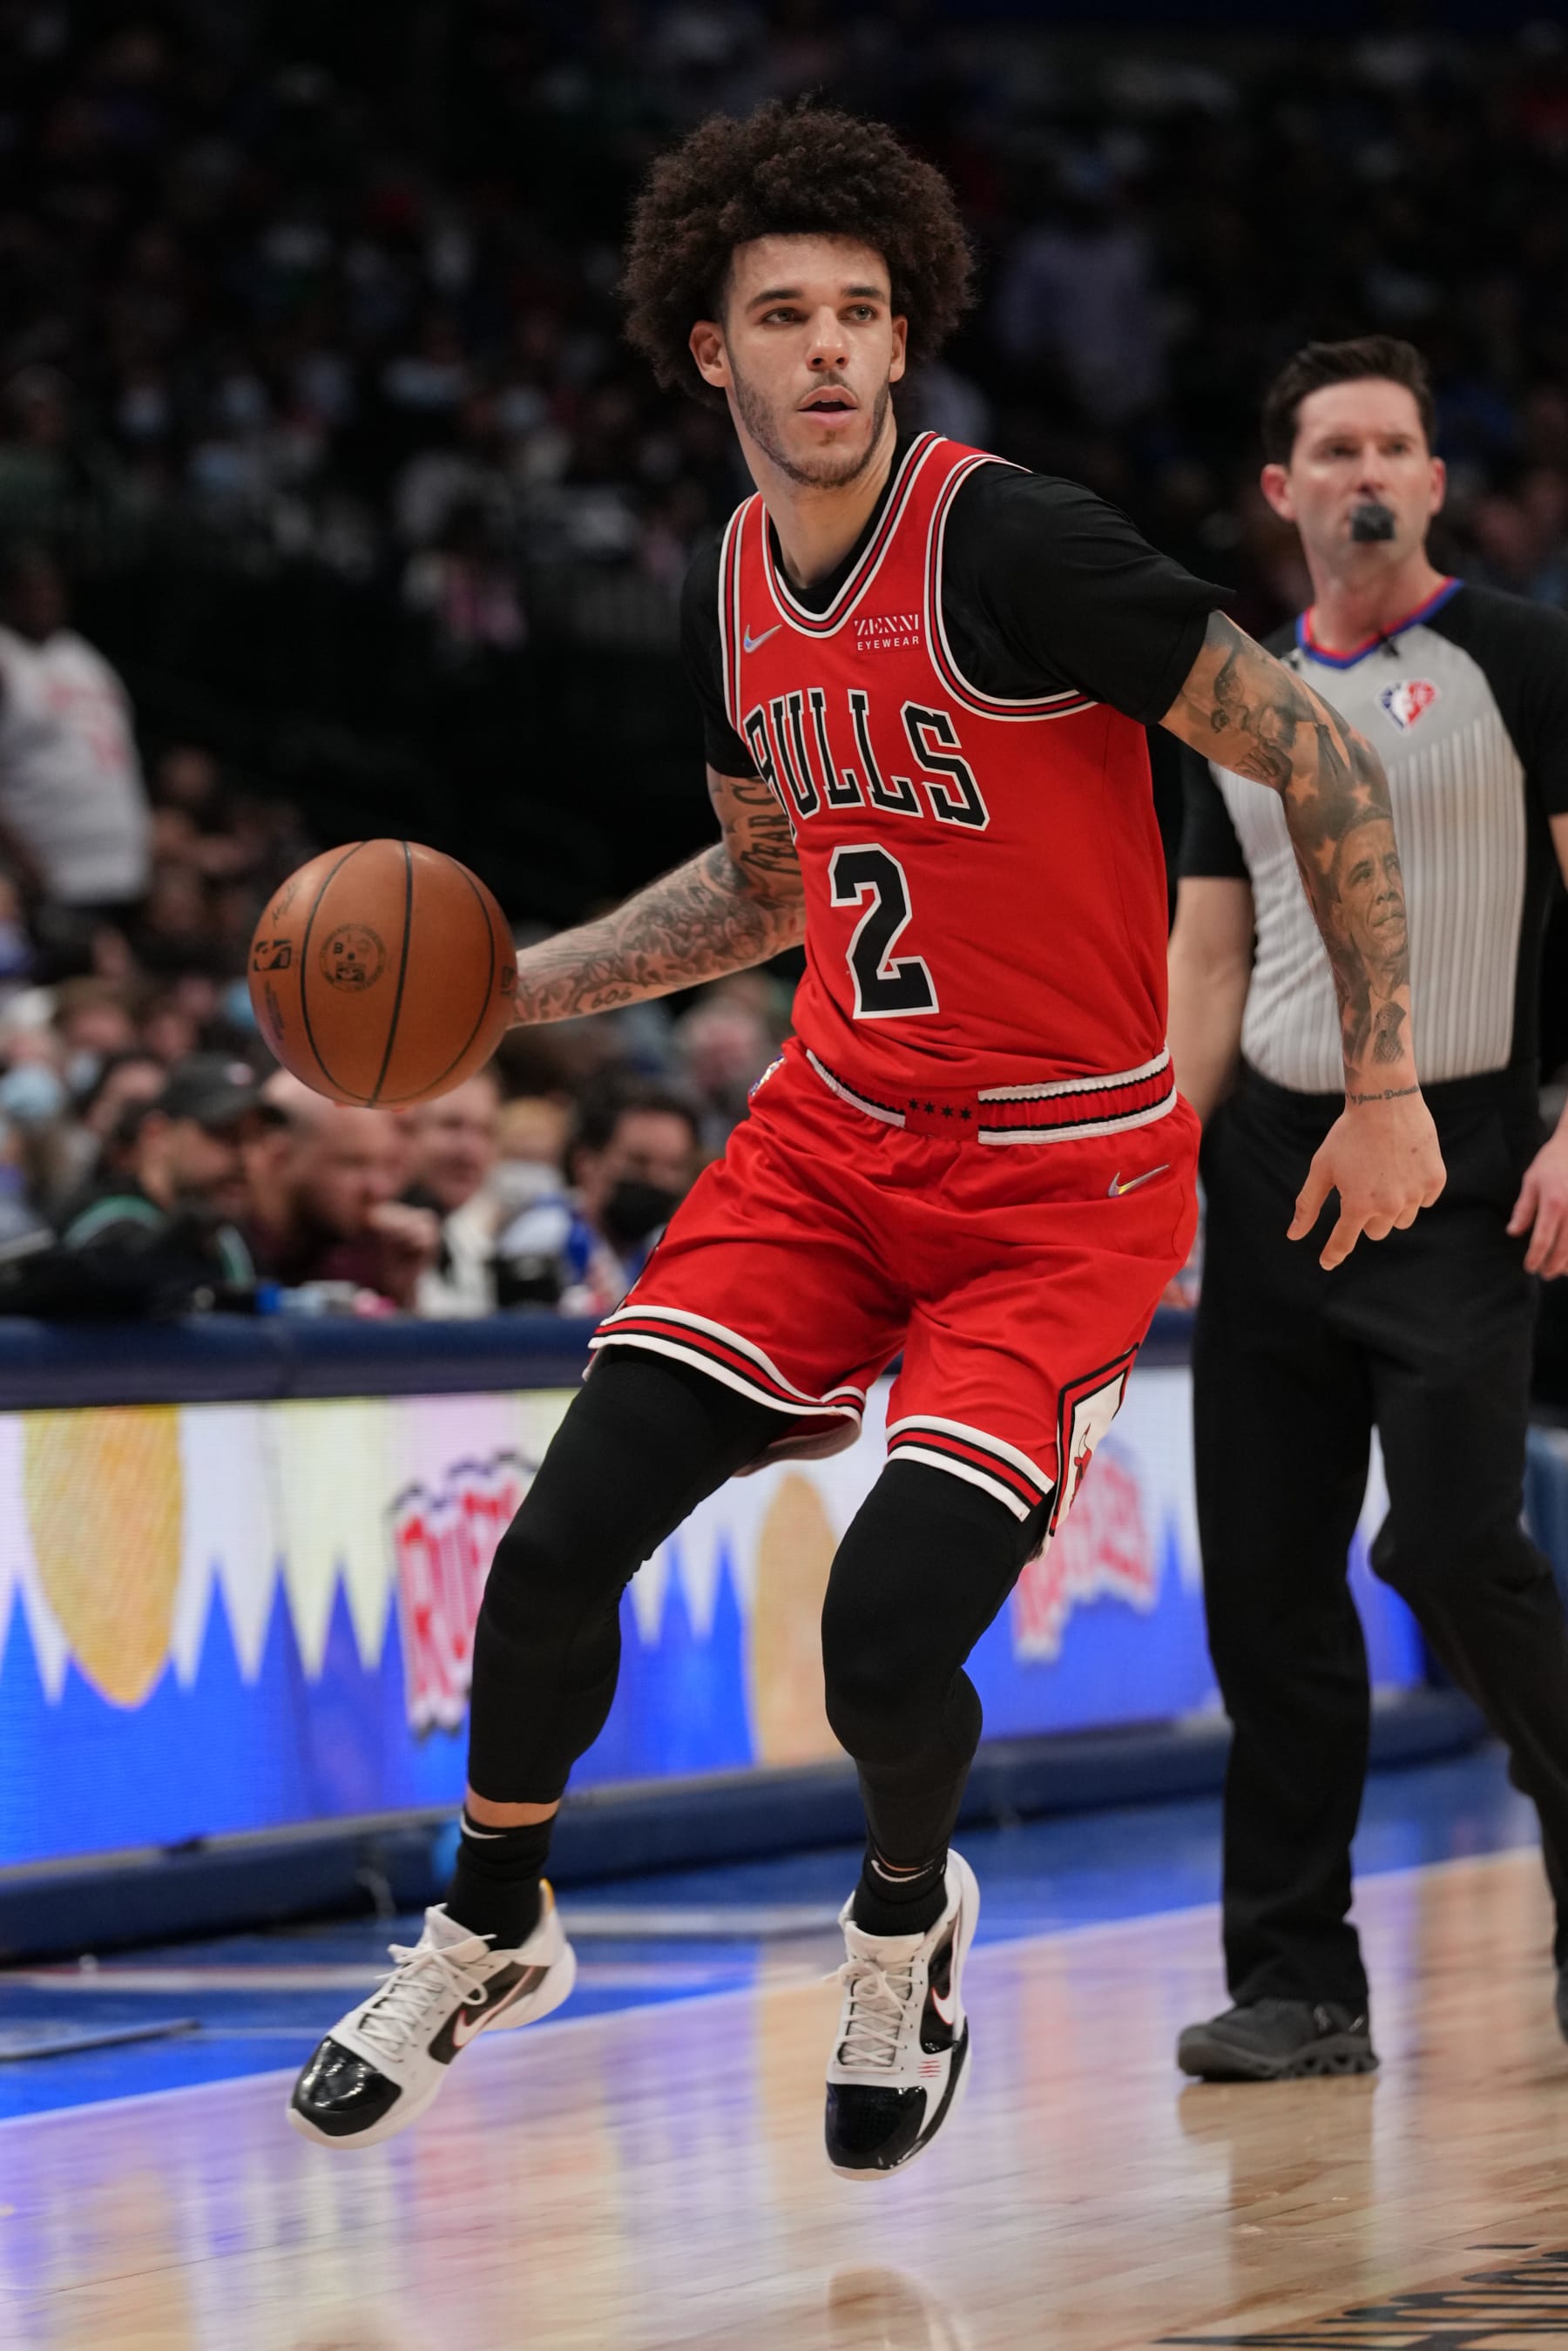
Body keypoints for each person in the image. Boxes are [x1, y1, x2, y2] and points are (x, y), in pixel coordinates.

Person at [290, 106, 1443, 2171]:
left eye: (861, 314)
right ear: (704, 353)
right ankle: (489, 1915)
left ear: (901, 342)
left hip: (1057, 1183)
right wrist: (505, 989)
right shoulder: (729, 578)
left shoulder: (1014, 545)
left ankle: (904, 1921)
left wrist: (1374, 1080)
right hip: (833, 1139)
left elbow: (1317, 749)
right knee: (555, 1550)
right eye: (781, 317)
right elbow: (764, 884)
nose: (827, 350)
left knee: (885, 1634)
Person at [1168, 337, 1568, 2083]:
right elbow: (1204, 949)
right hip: (1266, 1158)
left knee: (1457, 1539)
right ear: (1284, 488)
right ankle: (1297, 1978)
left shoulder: (1525, 656)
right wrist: (1144, 1175)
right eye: (1334, 447)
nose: (1368, 472)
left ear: (1433, 478)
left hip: (1467, 1153)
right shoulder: (1232, 689)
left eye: (1397, 444)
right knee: (1263, 1579)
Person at [0, 544, 152, 953]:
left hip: (124, 869)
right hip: (51, 877)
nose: (44, 598)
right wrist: (22, 862)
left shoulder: (83, 657)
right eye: (31, 589)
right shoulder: (6, 657)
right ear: (9, 595)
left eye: (51, 588)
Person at [39, 1054, 267, 1314]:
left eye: (256, 1138)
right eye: (224, 1134)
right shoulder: (109, 1224)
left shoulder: (232, 1243)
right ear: (157, 1135)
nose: (246, 1158)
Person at [493, 1077, 702, 1316]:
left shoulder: (673, 1251)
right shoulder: (543, 1235)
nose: (656, 1180)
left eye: (673, 1167)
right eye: (638, 1162)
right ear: (586, 1163)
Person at [246, 1077, 439, 1310]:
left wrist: (400, 1292)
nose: (378, 1189)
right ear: (279, 1156)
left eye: (384, 1164)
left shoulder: (366, 1251)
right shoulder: (221, 1251)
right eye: (354, 1164)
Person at [401, 1067, 504, 1317]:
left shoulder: (468, 1241)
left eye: (485, 1132)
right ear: (406, 1130)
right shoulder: (365, 1243)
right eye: (451, 1126)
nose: (470, 1151)